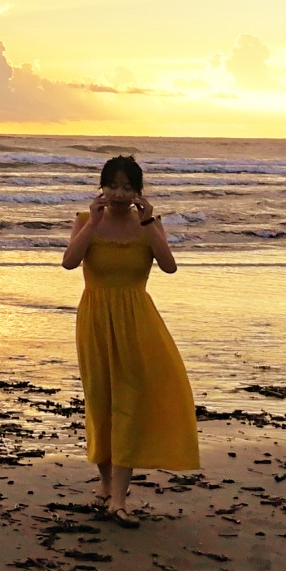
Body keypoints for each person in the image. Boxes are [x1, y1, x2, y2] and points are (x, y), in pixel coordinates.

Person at [62, 154, 199, 515]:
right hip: (94, 319)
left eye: (127, 187)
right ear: (101, 188)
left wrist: (150, 223)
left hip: (137, 320)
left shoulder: (149, 225)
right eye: (112, 186)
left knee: (129, 404)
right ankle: (105, 483)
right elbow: (69, 262)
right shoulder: (84, 222)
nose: (119, 194)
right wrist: (92, 224)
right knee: (100, 401)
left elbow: (169, 266)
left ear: (139, 191)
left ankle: (120, 499)